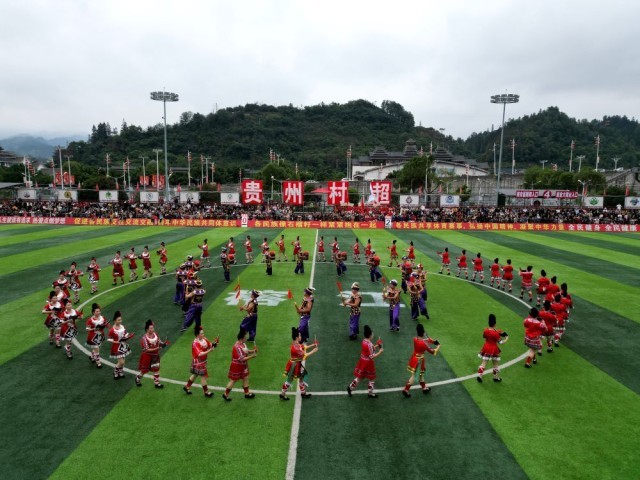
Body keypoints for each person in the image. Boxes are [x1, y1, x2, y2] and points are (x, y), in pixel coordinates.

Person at [280, 327, 318, 401]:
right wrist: (314, 351)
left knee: (301, 378)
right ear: (297, 337)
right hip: (294, 366)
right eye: (300, 336)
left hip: (296, 364)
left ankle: (303, 393)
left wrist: (313, 345)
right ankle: (282, 394)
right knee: (289, 380)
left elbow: (303, 347)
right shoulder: (296, 348)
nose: (301, 337)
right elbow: (304, 356)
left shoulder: (296, 344)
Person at [403, 323, 440, 396]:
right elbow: (432, 351)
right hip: (419, 361)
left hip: (414, 358)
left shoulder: (415, 339)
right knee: (414, 376)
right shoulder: (424, 343)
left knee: (421, 374)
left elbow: (426, 340)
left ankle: (424, 388)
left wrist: (433, 341)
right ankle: (406, 390)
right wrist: (438, 346)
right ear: (423, 332)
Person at [347, 325, 383, 398]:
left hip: (362, 361)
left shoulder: (364, 341)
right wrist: (380, 352)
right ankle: (370, 393)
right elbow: (372, 356)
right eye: (372, 333)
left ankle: (350, 387)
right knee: (372, 378)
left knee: (360, 377)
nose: (373, 334)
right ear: (370, 335)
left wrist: (376, 346)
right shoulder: (369, 344)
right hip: (368, 363)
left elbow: (368, 350)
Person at [222, 328, 257, 401]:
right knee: (233, 380)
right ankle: (225, 394)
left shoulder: (242, 344)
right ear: (241, 339)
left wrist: (252, 351)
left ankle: (247, 393)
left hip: (243, 365)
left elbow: (246, 351)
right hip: (237, 366)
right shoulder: (237, 347)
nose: (246, 338)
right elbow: (241, 359)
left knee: (246, 378)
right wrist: (252, 356)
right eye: (245, 337)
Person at [184, 326, 219, 397]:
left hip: (202, 361)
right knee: (203, 376)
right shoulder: (195, 343)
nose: (203, 334)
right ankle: (206, 392)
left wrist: (215, 344)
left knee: (195, 374)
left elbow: (210, 345)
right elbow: (200, 354)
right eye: (202, 333)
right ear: (197, 335)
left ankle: (187, 387)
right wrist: (209, 350)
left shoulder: (204, 339)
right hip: (199, 362)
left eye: (203, 333)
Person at [135, 320, 168, 388]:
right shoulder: (144, 339)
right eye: (151, 328)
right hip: (147, 356)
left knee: (156, 369)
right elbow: (147, 349)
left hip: (155, 356)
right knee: (144, 371)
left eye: (153, 328)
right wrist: (157, 348)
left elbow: (159, 341)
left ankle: (157, 383)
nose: (153, 329)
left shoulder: (155, 334)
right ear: (147, 329)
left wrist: (163, 344)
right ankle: (137, 378)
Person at [477, 314, 508, 383]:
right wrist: (506, 338)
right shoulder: (495, 333)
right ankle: (495, 377)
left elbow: (484, 336)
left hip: (486, 347)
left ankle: (479, 376)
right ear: (495, 323)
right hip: (494, 349)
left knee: (484, 363)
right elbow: (501, 342)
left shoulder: (486, 330)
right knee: (495, 364)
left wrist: (498, 332)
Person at [107, 310, 134, 380]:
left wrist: (127, 336)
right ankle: (115, 371)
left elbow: (125, 334)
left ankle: (120, 371)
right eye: (118, 320)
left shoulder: (122, 326)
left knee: (123, 361)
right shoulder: (112, 330)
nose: (120, 321)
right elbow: (109, 339)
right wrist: (117, 342)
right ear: (115, 321)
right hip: (116, 347)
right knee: (121, 362)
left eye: (120, 320)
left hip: (123, 345)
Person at [85, 303, 110, 368]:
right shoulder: (90, 320)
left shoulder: (102, 317)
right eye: (97, 311)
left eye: (99, 311)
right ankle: (98, 362)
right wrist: (94, 328)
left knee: (96, 347)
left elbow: (106, 324)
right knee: (97, 348)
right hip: (92, 336)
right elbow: (87, 329)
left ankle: (92, 356)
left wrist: (107, 326)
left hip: (100, 335)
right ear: (93, 312)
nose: (99, 312)